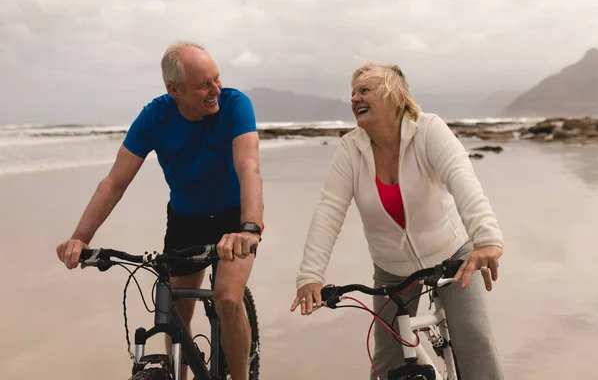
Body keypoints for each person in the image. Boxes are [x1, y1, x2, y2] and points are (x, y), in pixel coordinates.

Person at [56, 41, 264, 380]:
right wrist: (80, 238)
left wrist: (249, 227)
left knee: (227, 298)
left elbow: (249, 167)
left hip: (235, 218)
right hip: (186, 220)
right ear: (174, 90)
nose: (216, 90)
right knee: (174, 313)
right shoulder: (155, 116)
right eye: (204, 85)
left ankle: (240, 376)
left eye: (217, 78)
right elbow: (114, 183)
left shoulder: (235, 104)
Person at [290, 61, 504, 379]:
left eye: (364, 90)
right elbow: (329, 211)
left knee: (474, 340)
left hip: (454, 257)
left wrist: (486, 238)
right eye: (352, 93)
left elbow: (463, 180)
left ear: (394, 95)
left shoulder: (429, 129)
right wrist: (310, 276)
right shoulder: (350, 149)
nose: (354, 99)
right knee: (387, 359)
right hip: (391, 269)